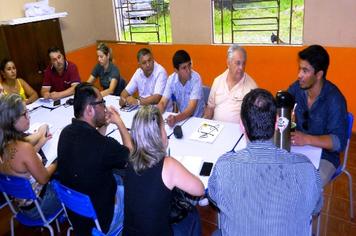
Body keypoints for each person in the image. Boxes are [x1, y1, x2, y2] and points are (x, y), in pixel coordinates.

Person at [208, 88, 322, 236]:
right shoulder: (307, 169)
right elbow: (316, 207)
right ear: (277, 123)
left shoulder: (223, 166)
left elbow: (214, 198)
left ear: (242, 125)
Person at [56, 82, 132, 236]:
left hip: (77, 218)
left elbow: (94, 145)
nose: (104, 107)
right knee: (134, 187)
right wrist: (119, 123)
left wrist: (103, 124)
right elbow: (131, 155)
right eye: (102, 103)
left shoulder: (65, 133)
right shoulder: (104, 146)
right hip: (101, 221)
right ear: (90, 109)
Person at [123, 105, 204, 235]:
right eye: (163, 128)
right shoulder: (169, 165)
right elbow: (199, 189)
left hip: (130, 232)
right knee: (193, 215)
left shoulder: (131, 159)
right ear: (158, 135)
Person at [288, 45, 348, 187]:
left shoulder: (335, 99)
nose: (299, 75)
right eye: (299, 69)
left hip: (325, 157)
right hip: (297, 148)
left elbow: (338, 142)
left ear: (319, 74)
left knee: (308, 189)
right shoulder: (297, 88)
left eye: (305, 70)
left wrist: (306, 139)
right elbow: (282, 103)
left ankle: (309, 208)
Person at [0, 94, 61, 220]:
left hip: (22, 206)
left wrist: (40, 143)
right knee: (68, 176)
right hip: (39, 206)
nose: (29, 116)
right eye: (25, 114)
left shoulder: (6, 143)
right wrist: (58, 160)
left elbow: (21, 162)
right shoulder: (23, 147)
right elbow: (43, 178)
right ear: (13, 119)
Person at [203, 44, 257, 123]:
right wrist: (204, 121)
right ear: (228, 63)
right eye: (238, 63)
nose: (241, 68)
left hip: (238, 132)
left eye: (243, 63)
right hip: (216, 128)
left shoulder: (252, 88)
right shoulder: (218, 81)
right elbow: (210, 108)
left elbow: (255, 119)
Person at [157, 50, 205, 127]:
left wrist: (175, 119)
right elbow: (162, 102)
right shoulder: (171, 79)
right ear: (176, 70)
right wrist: (156, 115)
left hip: (197, 120)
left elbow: (190, 110)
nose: (188, 70)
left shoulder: (196, 79)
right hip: (182, 119)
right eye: (184, 68)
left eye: (189, 65)